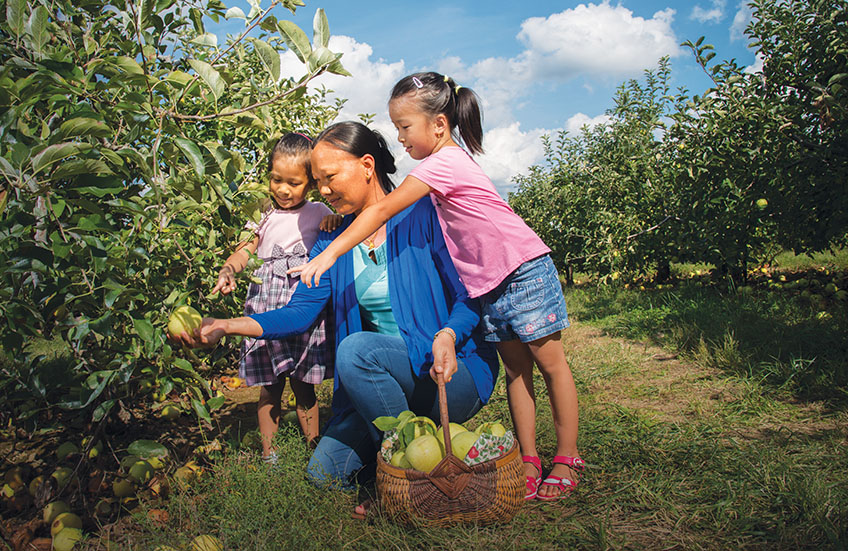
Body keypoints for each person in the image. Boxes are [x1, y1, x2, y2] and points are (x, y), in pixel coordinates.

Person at [174, 121, 499, 515]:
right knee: (323, 473)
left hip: (447, 372)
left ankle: (400, 474)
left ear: (366, 165)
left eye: (329, 178)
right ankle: (408, 444)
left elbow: (469, 294)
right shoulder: (332, 241)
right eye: (317, 181)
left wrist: (448, 334)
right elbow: (299, 313)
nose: (323, 191)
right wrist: (226, 326)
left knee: (356, 349)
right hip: (380, 383)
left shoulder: (422, 214)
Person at [289, 72, 583, 501]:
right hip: (488, 283)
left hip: (521, 271)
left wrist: (331, 252)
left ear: (439, 126)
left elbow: (384, 208)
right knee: (518, 372)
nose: (400, 139)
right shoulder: (435, 166)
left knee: (551, 366)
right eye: (397, 129)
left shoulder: (443, 163)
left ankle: (567, 456)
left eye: (405, 128)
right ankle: (529, 458)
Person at [210, 132, 335, 464]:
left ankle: (314, 446)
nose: (283, 189)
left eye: (293, 183)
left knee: (304, 385)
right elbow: (245, 249)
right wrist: (229, 269)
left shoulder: (321, 211)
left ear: (309, 182)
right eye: (276, 180)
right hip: (265, 301)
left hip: (300, 301)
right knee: (270, 385)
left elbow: (337, 233)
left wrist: (333, 222)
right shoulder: (262, 211)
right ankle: (270, 453)